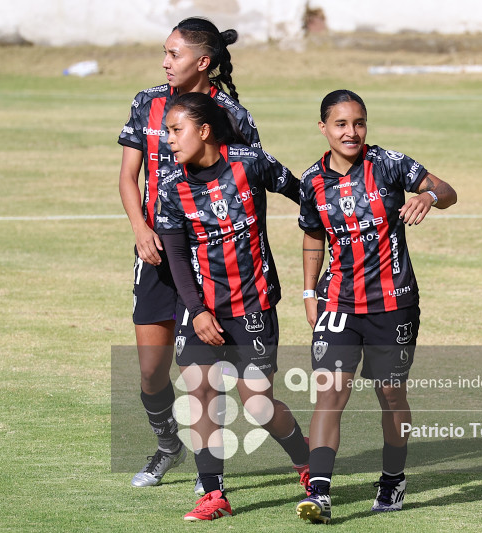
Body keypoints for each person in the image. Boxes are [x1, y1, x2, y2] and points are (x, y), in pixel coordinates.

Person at [295, 89, 457, 524]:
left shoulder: (389, 164)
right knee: (331, 392)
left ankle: (393, 479)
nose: (351, 132)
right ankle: (320, 492)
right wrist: (309, 293)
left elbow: (448, 190)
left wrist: (429, 197)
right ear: (323, 127)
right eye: (341, 124)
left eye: (359, 123)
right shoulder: (311, 182)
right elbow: (314, 237)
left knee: (390, 394)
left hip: (394, 304)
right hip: (338, 302)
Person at [117, 17, 261, 489]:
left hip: (208, 262)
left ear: (203, 61)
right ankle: (167, 445)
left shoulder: (230, 115)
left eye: (173, 54)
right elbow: (127, 177)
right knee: (151, 371)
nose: (165, 61)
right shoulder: (147, 102)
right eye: (164, 52)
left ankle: (209, 471)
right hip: (156, 254)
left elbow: (250, 182)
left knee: (200, 374)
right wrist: (141, 228)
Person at [155, 92, 311, 521]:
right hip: (200, 308)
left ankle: (306, 463)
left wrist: (338, 233)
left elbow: (305, 196)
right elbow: (176, 257)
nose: (168, 139)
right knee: (202, 395)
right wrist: (198, 311)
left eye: (176, 130)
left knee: (258, 405)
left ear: (204, 131)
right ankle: (213, 494)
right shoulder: (171, 187)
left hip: (253, 307)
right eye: (167, 131)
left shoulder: (249, 161)